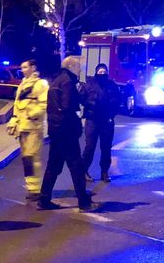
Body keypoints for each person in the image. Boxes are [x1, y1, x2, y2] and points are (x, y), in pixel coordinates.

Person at [38, 56, 97, 213]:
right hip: (66, 131)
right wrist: (77, 126)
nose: (80, 70)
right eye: (78, 67)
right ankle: (83, 202)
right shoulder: (67, 82)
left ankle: (44, 199)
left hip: (56, 130)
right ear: (71, 66)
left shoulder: (58, 81)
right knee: (76, 166)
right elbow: (68, 107)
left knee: (53, 165)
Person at [7, 59, 48, 201]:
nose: (22, 69)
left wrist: (32, 114)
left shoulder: (41, 84)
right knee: (26, 159)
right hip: (23, 127)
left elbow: (44, 104)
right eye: (22, 67)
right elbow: (17, 104)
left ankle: (35, 189)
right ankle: (31, 187)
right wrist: (13, 120)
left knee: (33, 158)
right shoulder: (23, 83)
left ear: (33, 67)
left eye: (25, 67)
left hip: (34, 128)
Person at [80, 63, 120, 183]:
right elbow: (81, 98)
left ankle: (104, 172)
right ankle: (84, 171)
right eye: (100, 72)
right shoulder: (90, 85)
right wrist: (90, 106)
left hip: (107, 121)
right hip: (92, 120)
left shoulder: (112, 85)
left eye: (104, 72)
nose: (102, 74)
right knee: (89, 147)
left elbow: (117, 101)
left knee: (106, 148)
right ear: (96, 72)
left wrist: (111, 115)